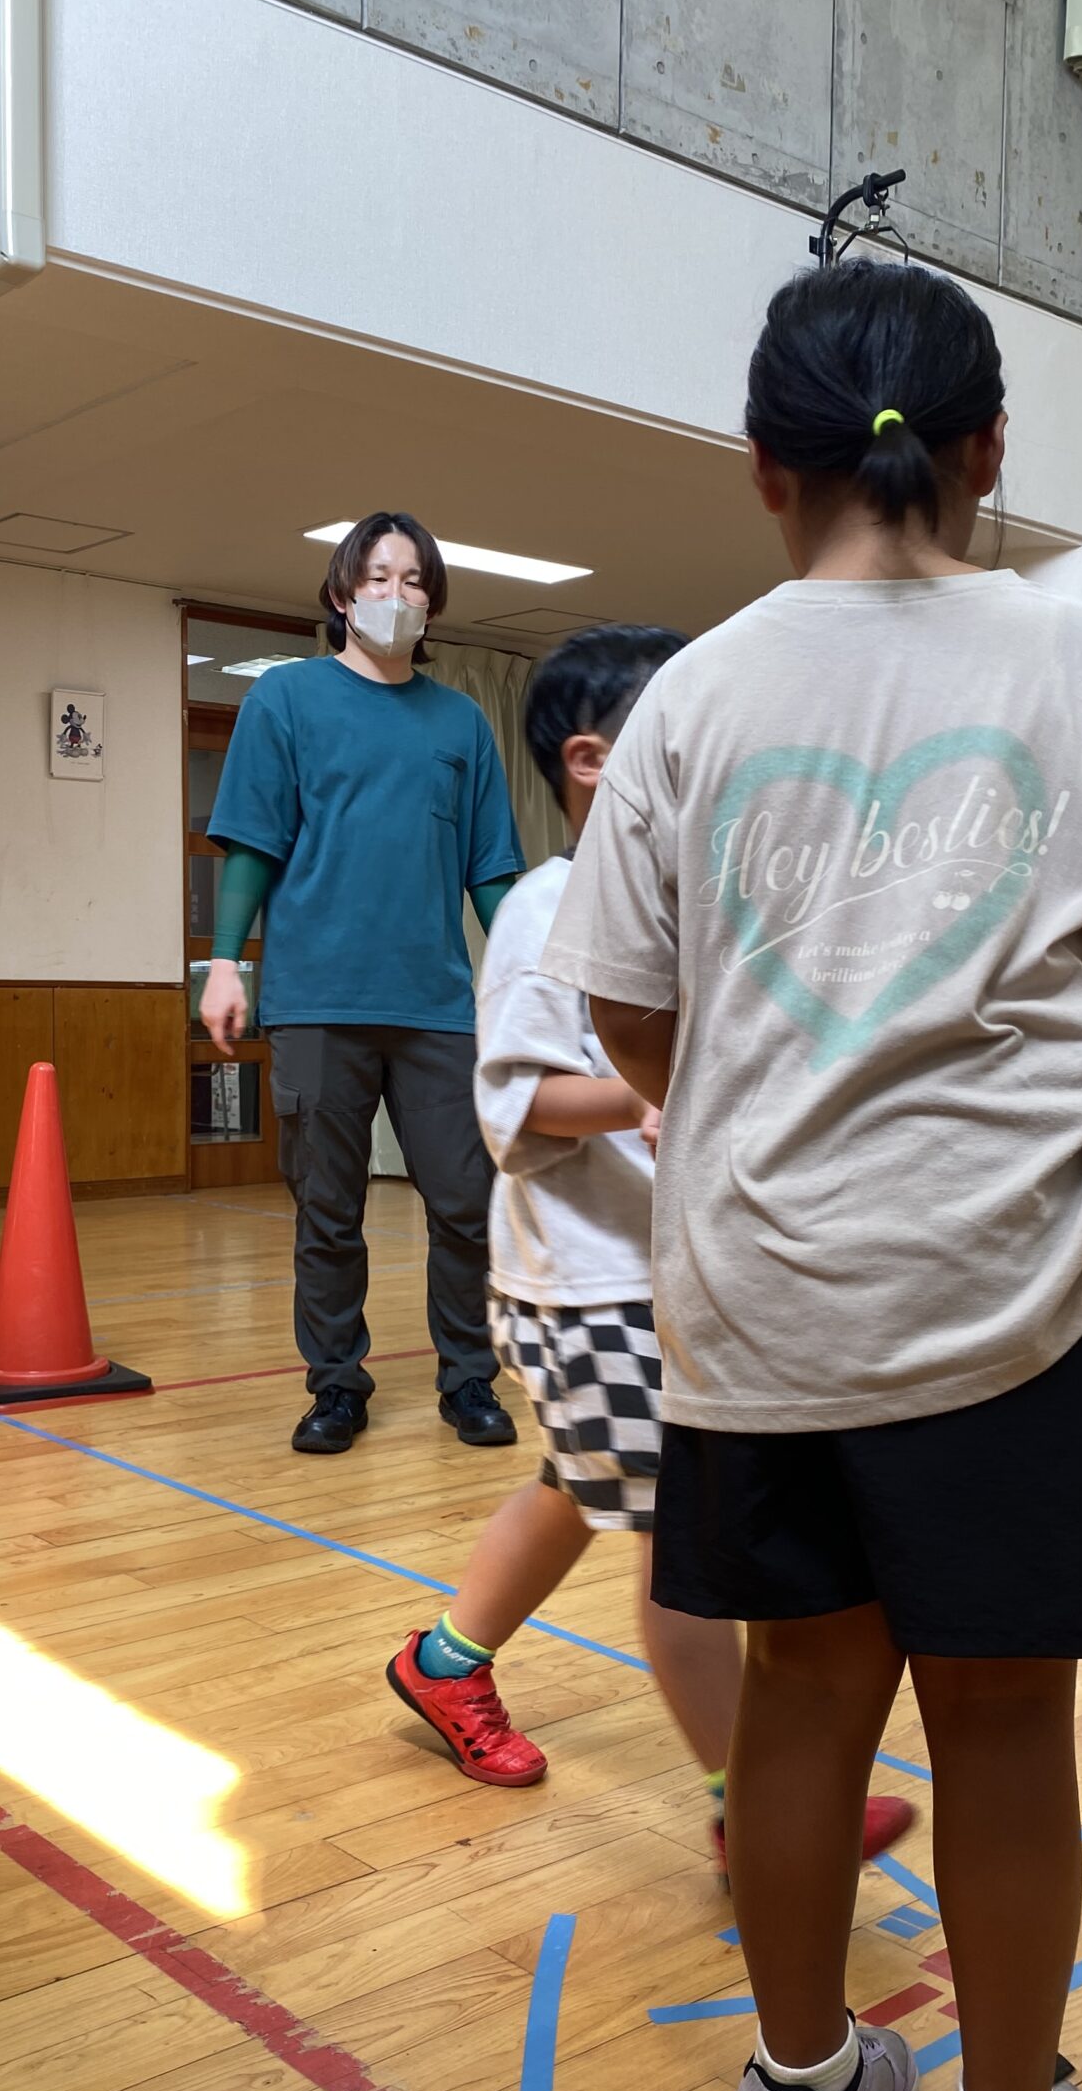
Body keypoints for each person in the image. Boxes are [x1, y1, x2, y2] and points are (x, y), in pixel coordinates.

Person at [543, 258, 1082, 2091]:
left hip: (763, 1289)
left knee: (800, 1698)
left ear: (766, 468)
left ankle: (796, 2090)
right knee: (1003, 1724)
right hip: (1020, 1289)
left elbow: (631, 1015)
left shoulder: (693, 697)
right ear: (988, 452)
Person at [386, 623, 915, 1871]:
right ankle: (750, 1804)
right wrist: (642, 1096)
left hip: (669, 1278)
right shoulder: (549, 907)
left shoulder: (695, 907)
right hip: (590, 1286)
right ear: (593, 761)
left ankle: (444, 1661)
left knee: (580, 1486)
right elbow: (517, 1100)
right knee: (685, 1539)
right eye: (688, 734)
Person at [203, 513, 526, 1454]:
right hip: (316, 1002)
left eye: (415, 580)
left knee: (465, 1204)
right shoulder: (286, 699)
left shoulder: (461, 722)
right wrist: (225, 962)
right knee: (329, 1212)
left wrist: (535, 976)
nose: (397, 594)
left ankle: (470, 1379)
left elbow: (492, 872)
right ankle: (337, 1385)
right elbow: (253, 845)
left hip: (435, 1008)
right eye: (379, 577)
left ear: (432, 602)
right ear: (343, 595)